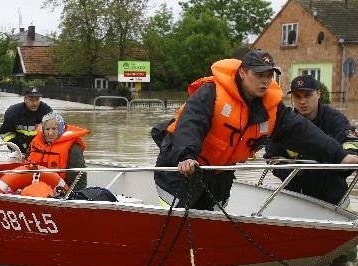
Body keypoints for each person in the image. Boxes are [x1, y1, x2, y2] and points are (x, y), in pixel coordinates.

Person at [153, 50, 358, 210]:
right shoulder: (212, 93)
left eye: (269, 74)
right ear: (242, 72)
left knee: (211, 225)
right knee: (173, 222)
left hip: (219, 176)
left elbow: (303, 131)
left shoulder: (273, 108)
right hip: (182, 169)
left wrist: (340, 155)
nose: (265, 80)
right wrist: (186, 156)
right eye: (259, 74)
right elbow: (190, 123)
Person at [264, 74, 358, 206]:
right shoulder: (284, 124)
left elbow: (351, 146)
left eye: (307, 95)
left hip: (334, 200)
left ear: (318, 94)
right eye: (297, 96)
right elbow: (271, 157)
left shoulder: (336, 119)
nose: (302, 101)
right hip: (296, 199)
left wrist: (349, 161)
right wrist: (294, 171)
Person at [27, 112, 89, 190]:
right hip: (34, 186)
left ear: (60, 128)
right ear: (43, 130)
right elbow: (26, 164)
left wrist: (74, 195)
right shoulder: (35, 143)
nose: (50, 133)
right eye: (47, 129)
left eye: (54, 129)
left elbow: (79, 177)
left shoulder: (72, 147)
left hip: (60, 191)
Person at [0, 87, 53, 154]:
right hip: (19, 151)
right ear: (25, 99)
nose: (35, 103)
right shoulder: (13, 113)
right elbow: (4, 133)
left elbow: (55, 132)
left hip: (40, 150)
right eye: (31, 100)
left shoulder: (47, 112)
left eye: (37, 99)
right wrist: (16, 146)